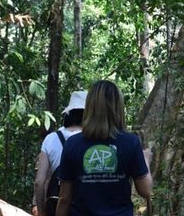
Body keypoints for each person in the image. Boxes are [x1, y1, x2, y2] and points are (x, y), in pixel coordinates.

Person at [56, 80, 152, 216]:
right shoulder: (130, 142)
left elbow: (64, 198)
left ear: (90, 106)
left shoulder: (72, 144)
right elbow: (145, 190)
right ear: (118, 107)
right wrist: (145, 159)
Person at [32, 90, 87, 216]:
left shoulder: (51, 139)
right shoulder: (93, 140)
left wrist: (41, 211)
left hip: (55, 206)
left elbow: (39, 182)